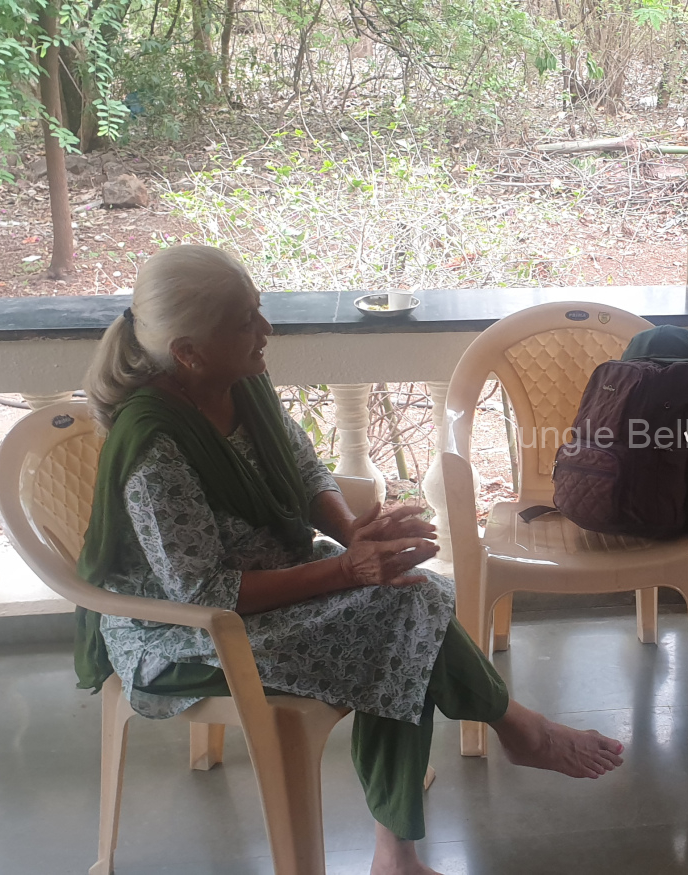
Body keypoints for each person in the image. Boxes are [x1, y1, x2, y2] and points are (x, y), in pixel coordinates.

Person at [77, 245, 625, 875]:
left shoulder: (240, 385)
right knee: (402, 619)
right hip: (181, 637)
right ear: (188, 352)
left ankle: (414, 836)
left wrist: (354, 533)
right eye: (245, 322)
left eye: (259, 310)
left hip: (270, 587)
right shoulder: (154, 446)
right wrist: (345, 569)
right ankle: (503, 746)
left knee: (407, 597)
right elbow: (202, 592)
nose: (266, 330)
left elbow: (305, 469)